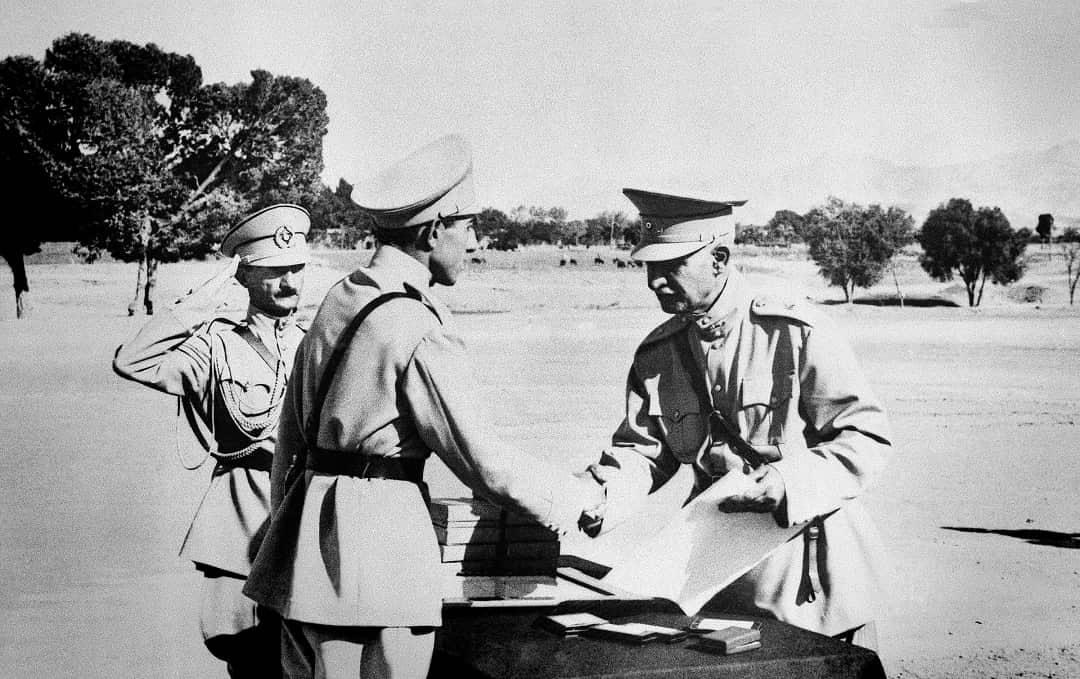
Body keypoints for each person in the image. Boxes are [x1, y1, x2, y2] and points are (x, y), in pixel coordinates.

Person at [244, 135, 603, 679]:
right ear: (434, 230)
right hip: (379, 555)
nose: (476, 242)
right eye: (469, 226)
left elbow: (288, 442)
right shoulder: (418, 325)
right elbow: (484, 464)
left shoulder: (341, 298)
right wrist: (575, 502)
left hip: (301, 546)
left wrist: (286, 533)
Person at [582, 189, 892, 648]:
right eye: (649, 266)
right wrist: (597, 497)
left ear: (720, 258)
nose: (653, 282)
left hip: (805, 578)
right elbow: (642, 453)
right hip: (715, 580)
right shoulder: (658, 352)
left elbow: (864, 436)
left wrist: (787, 483)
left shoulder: (792, 331)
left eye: (670, 267)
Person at [113, 203, 311, 678]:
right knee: (243, 653)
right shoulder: (214, 345)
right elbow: (133, 361)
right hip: (241, 519)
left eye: (296, 270)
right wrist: (199, 303)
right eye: (272, 272)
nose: (289, 283)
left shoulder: (312, 344)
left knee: (306, 658)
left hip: (303, 519)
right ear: (242, 277)